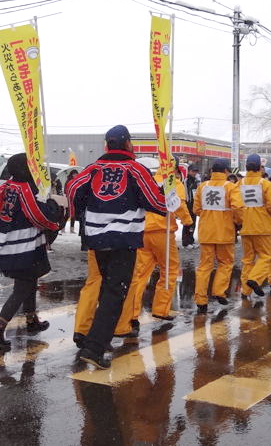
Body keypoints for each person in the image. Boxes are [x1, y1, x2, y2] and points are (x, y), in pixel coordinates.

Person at [66, 125, 166, 369]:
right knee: (115, 292)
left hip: (97, 238)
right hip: (123, 238)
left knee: (103, 287)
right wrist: (168, 202)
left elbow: (72, 189)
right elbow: (154, 201)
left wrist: (80, 213)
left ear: (106, 145)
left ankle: (92, 337)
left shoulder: (92, 169)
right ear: (128, 144)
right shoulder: (135, 169)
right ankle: (94, 347)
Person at [0, 153, 63, 351]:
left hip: (6, 243)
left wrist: (3, 225)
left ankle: (31, 319)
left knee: (30, 280)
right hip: (22, 247)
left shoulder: (6, 186)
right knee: (23, 286)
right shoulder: (25, 188)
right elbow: (39, 216)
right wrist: (53, 211)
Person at [114, 159, 193, 337]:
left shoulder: (148, 179)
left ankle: (132, 315)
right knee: (169, 270)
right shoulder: (173, 182)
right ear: (175, 168)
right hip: (163, 233)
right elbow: (178, 204)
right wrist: (188, 221)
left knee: (140, 274)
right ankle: (160, 309)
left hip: (143, 230)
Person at [193, 158, 243, 313]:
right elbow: (238, 207)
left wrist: (208, 216)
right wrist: (238, 221)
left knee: (204, 266)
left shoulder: (202, 186)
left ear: (211, 172)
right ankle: (219, 291)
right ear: (226, 171)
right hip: (224, 232)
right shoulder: (231, 187)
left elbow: (196, 209)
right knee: (226, 263)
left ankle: (201, 299)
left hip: (206, 232)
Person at [239, 154, 271, 297]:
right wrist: (269, 214)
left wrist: (240, 219)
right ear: (260, 167)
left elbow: (235, 205)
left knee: (248, 260)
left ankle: (245, 290)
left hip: (245, 228)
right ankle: (255, 279)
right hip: (262, 227)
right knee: (266, 256)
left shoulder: (239, 184)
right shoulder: (265, 184)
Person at [182, 164, 200, 249]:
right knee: (187, 223)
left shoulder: (196, 181)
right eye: (193, 171)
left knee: (193, 223)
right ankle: (185, 242)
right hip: (187, 204)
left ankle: (191, 240)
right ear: (189, 171)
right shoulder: (185, 181)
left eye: (195, 171)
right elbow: (185, 192)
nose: (194, 173)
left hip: (194, 204)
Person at [65, 169, 79, 233]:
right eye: (74, 174)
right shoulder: (69, 181)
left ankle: (72, 229)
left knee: (73, 214)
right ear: (72, 174)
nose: (75, 175)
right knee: (67, 214)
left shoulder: (77, 181)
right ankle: (62, 227)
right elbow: (66, 190)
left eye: (76, 174)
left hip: (74, 199)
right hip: (68, 199)